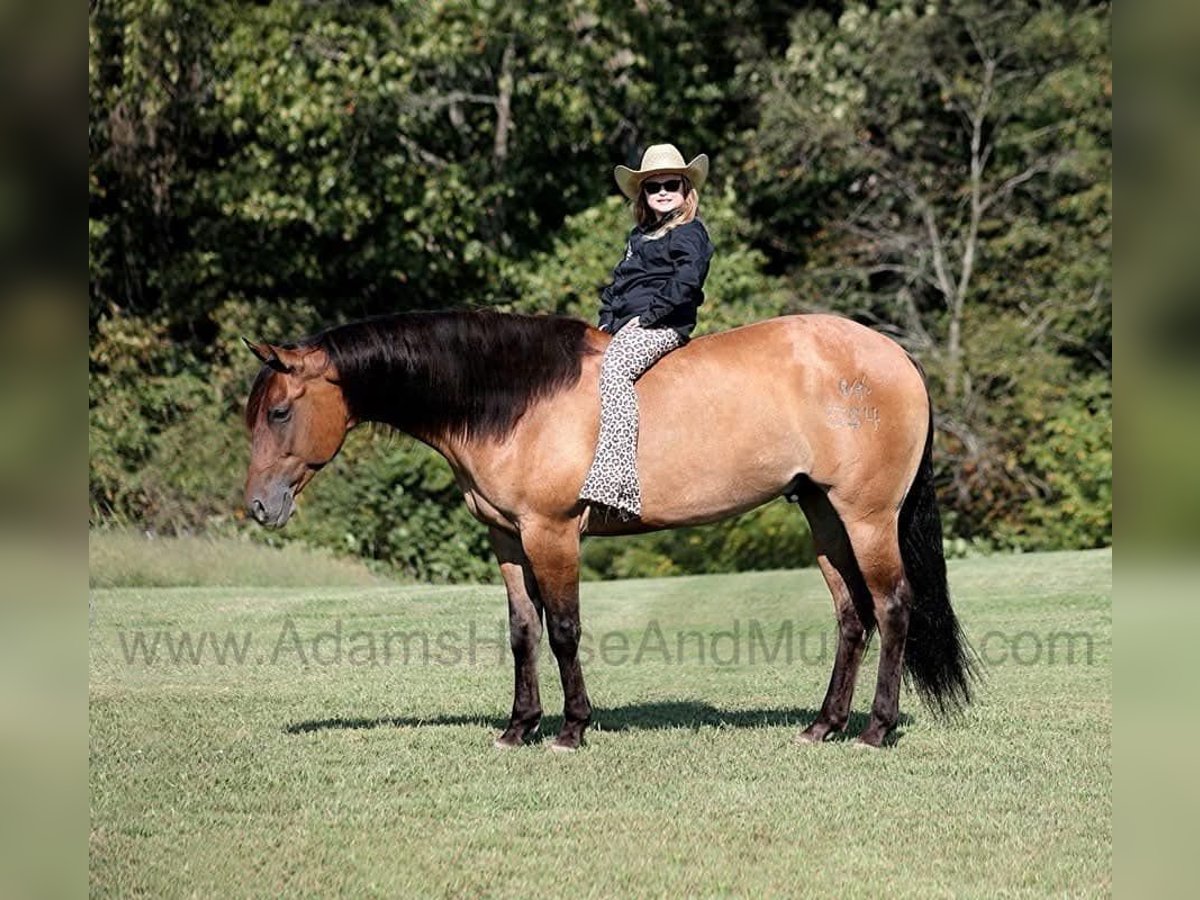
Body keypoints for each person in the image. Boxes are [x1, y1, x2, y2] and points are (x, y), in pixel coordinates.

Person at [578, 143, 715, 520]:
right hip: (624, 324)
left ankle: (617, 479)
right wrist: (605, 321)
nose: (662, 193)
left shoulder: (689, 233)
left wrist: (651, 315)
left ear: (687, 190)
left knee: (617, 368)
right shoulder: (639, 237)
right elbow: (619, 285)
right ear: (644, 195)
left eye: (671, 184)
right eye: (653, 187)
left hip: (662, 323)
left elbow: (688, 279)